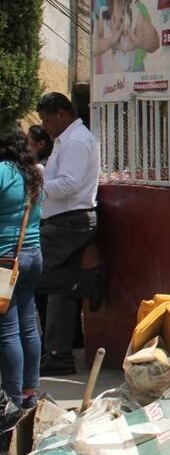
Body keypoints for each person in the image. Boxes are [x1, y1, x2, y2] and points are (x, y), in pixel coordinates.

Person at [35, 93, 100, 377]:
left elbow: (70, 184)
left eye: (48, 119)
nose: (46, 126)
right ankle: (59, 354)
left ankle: (85, 283)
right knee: (59, 292)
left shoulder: (76, 141)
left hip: (70, 221)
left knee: (30, 270)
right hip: (65, 219)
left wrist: (36, 186)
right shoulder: (68, 141)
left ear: (63, 114)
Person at [0, 130, 44, 408]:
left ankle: (12, 400)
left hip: (5, 260)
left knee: (7, 330)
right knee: (28, 326)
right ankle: (29, 393)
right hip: (33, 255)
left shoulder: (2, 171)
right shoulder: (34, 173)